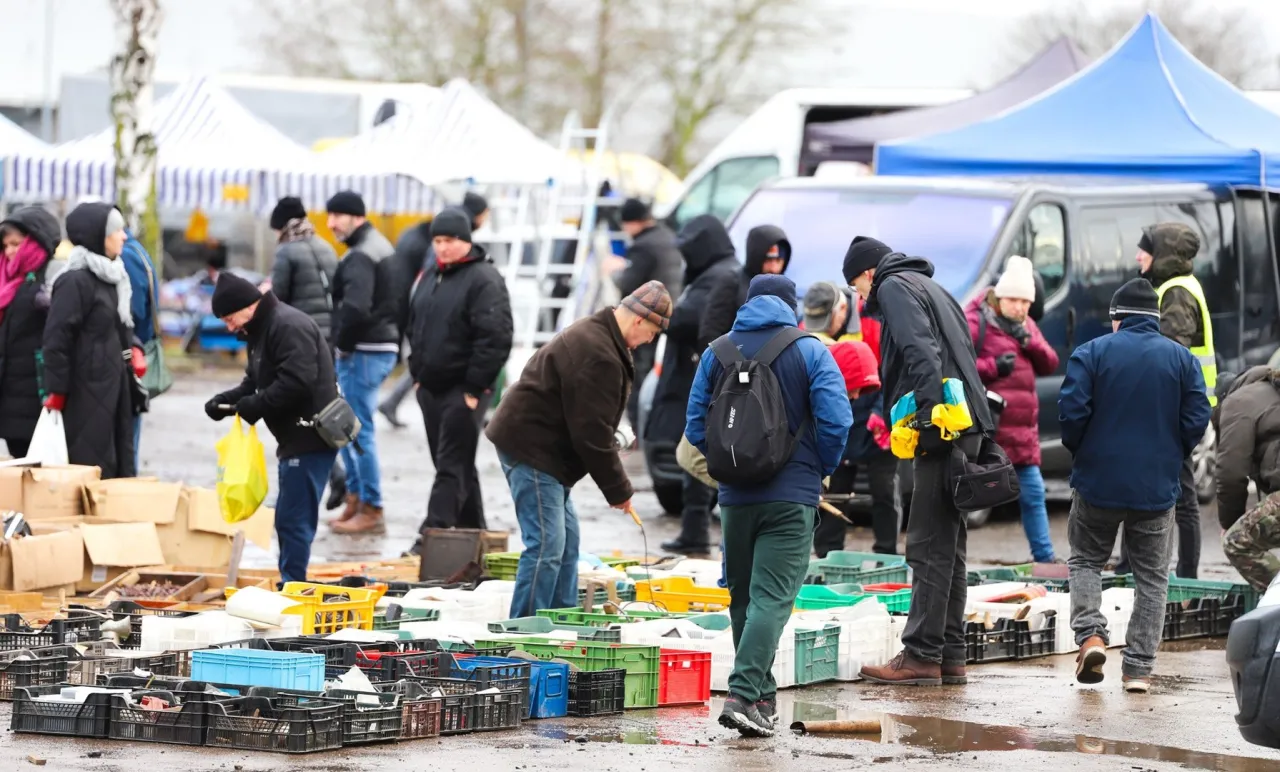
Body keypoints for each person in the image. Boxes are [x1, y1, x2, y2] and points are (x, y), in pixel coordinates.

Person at [684, 274, 851, 737]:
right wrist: (818, 466)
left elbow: (695, 424)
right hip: (792, 495)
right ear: (791, 305)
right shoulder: (811, 350)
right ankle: (740, 694)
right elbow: (837, 419)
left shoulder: (717, 352)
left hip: (735, 497)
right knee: (772, 598)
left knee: (744, 596)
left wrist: (729, 462)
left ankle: (759, 698)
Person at [848, 236, 995, 688]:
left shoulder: (893, 288)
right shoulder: (933, 288)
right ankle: (950, 653)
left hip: (944, 425)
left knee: (928, 543)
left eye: (856, 285)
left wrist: (931, 421)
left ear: (870, 273)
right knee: (949, 545)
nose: (858, 297)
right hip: (967, 422)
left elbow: (921, 353)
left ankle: (920, 656)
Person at [1058, 278, 1210, 693]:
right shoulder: (1181, 359)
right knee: (1153, 578)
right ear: (1155, 320)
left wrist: (1085, 452)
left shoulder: (1090, 353)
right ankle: (1138, 669)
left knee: (1086, 560)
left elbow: (1071, 415)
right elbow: (1197, 415)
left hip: (1097, 483)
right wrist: (1171, 452)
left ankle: (1090, 635)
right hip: (1156, 489)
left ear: (1117, 319)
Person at [488, 281, 671, 617]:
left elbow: (587, 416)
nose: (650, 341)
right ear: (640, 321)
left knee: (567, 544)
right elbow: (591, 434)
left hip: (547, 452)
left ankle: (558, 619)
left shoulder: (602, 336)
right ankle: (525, 630)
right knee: (546, 545)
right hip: (533, 450)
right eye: (654, 333)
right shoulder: (599, 351)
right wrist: (619, 491)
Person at [203, 273, 339, 585]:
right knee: (290, 516)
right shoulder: (261, 330)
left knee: (292, 519)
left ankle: (293, 585)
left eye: (229, 318)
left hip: (310, 435)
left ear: (247, 306)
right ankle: (292, 581)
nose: (229, 326)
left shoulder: (287, 326)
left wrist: (256, 405)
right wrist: (226, 400)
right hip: (294, 437)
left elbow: (297, 382)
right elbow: (255, 382)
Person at [406, 208, 513, 554]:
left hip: (464, 389)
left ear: (466, 240)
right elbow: (414, 327)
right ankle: (475, 533)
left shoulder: (484, 278)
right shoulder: (430, 275)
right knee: (455, 464)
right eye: (437, 241)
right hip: (430, 387)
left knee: (451, 465)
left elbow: (495, 337)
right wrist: (416, 375)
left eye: (449, 240)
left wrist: (474, 388)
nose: (442, 248)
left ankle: (431, 535)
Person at [1117, 223, 1213, 579]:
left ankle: (1187, 576)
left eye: (1145, 249)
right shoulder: (1175, 287)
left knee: (1181, 495)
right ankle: (1141, 566)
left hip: (1175, 409)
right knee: (1161, 489)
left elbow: (1169, 356)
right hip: (1180, 406)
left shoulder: (1174, 292)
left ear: (1164, 255)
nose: (1139, 255)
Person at [651, 214, 740, 557]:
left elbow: (687, 319)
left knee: (696, 455)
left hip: (700, 380)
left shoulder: (716, 277)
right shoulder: (721, 272)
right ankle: (694, 531)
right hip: (708, 377)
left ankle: (695, 532)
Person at [965, 256, 1060, 563]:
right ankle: (953, 560)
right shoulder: (975, 321)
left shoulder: (1026, 325)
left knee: (1033, 496)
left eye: (1026, 302)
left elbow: (1050, 363)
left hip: (1022, 434)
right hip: (988, 432)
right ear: (1000, 296)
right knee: (968, 498)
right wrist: (993, 367)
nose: (1021, 308)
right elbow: (957, 365)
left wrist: (1028, 341)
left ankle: (1045, 559)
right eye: (1015, 300)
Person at [42, 202, 144, 479]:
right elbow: (56, 340)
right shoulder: (74, 281)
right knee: (91, 470)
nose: (124, 236)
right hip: (84, 393)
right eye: (117, 230)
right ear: (97, 236)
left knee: (119, 465)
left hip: (116, 387)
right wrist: (58, 391)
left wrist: (135, 347)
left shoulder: (114, 276)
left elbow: (117, 326)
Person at [802, 280, 898, 557]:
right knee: (832, 492)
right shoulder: (807, 327)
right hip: (836, 422)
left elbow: (893, 370)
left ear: (843, 308)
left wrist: (882, 412)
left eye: (825, 320)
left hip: (876, 420)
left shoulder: (876, 324)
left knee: (884, 493)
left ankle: (886, 556)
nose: (819, 326)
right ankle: (827, 556)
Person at [325, 191, 400, 534]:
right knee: (350, 429)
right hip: (379, 345)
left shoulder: (361, 255)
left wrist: (341, 343)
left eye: (338, 216)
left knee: (356, 431)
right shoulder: (379, 245)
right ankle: (356, 500)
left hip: (364, 350)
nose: (331, 224)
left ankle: (371, 507)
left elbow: (355, 307)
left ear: (356, 217)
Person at [609, 198, 683, 430]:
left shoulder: (642, 246)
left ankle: (640, 429)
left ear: (632, 223)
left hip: (647, 320)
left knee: (636, 374)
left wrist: (616, 271)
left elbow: (629, 285)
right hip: (673, 316)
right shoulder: (669, 237)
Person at [0, 207, 61, 459]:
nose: (10, 251)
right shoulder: (6, 278)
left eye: (16, 243)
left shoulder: (50, 278)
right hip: (10, 391)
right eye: (5, 246)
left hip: (34, 392)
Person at [1217, 366, 1280, 591]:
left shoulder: (1237, 403)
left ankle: (1276, 601)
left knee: (1238, 541)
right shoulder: (1270, 390)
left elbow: (1231, 473)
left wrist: (1229, 521)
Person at [698, 225, 790, 350]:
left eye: (779, 261)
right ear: (756, 257)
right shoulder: (732, 283)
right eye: (768, 260)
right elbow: (710, 333)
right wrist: (733, 365)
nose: (773, 268)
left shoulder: (784, 290)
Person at [268, 196, 338, 343]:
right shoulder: (327, 247)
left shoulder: (285, 251)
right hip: (330, 332)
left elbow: (278, 296)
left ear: (281, 227)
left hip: (300, 331)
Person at [119, 227, 161, 471]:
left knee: (128, 427)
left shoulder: (127, 255)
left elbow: (132, 311)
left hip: (133, 352)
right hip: (140, 348)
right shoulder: (138, 251)